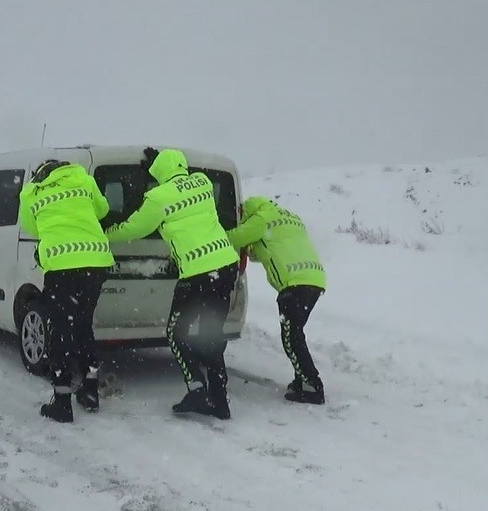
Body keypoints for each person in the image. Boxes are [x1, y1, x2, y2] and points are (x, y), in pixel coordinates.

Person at [105, 147, 240, 420]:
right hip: (225, 268)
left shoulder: (158, 197)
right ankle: (220, 402)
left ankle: (197, 389)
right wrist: (162, 164)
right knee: (211, 335)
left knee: (176, 333)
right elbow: (180, 187)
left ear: (159, 172)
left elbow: (135, 228)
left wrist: (107, 233)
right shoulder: (202, 182)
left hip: (197, 274)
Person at [18, 159, 116, 423]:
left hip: (62, 267)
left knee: (61, 330)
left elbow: (31, 227)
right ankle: (90, 391)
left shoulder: (32, 192)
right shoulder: (83, 179)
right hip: (95, 264)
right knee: (83, 325)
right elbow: (103, 209)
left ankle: (62, 402)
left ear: (40, 172)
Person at [226, 196, 327, 404]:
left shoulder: (260, 220)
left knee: (291, 336)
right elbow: (266, 248)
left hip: (294, 283)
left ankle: (312, 385)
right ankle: (302, 379)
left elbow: (234, 238)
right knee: (295, 333)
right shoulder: (290, 217)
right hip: (314, 280)